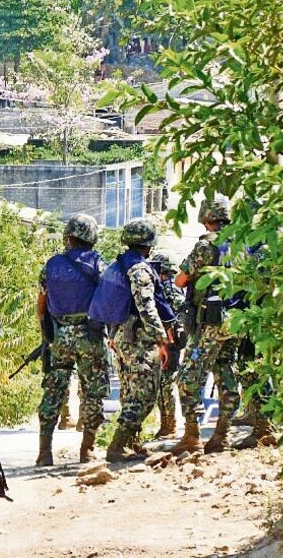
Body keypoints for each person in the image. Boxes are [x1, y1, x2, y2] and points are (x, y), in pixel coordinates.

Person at [172, 198, 244, 454]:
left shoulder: (205, 245)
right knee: (226, 372)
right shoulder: (240, 245)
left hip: (209, 324)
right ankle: (221, 435)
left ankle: (192, 436)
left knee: (188, 378)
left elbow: (181, 280)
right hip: (235, 322)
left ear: (205, 218)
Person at [35, 214, 107, 466]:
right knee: (93, 392)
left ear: (68, 237)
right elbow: (108, 298)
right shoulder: (98, 263)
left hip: (60, 335)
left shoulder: (52, 264)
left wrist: (47, 336)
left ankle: (44, 452)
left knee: (53, 389)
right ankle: (87, 449)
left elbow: (41, 304)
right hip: (90, 334)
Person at [99, 218, 172, 463]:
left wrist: (111, 336)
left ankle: (131, 443)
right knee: (145, 393)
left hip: (121, 336)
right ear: (149, 244)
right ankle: (118, 445)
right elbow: (146, 307)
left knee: (131, 391)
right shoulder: (140, 269)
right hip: (138, 339)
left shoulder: (118, 264)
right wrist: (162, 338)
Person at [150, 251, 186, 439]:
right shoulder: (169, 285)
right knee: (164, 382)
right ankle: (166, 424)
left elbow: (177, 313)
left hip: (170, 341)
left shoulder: (168, 286)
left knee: (166, 383)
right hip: (169, 339)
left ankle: (169, 425)